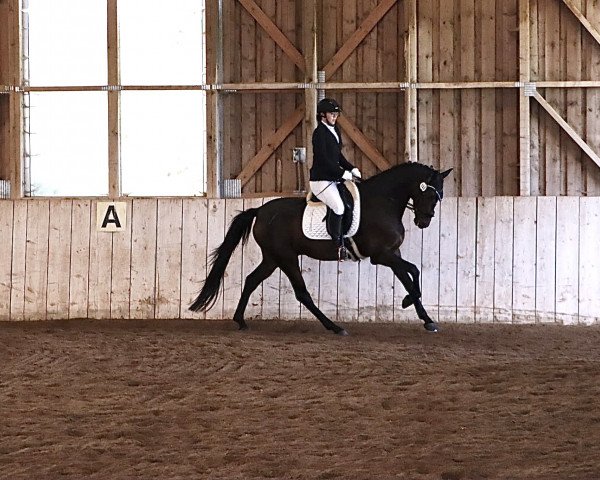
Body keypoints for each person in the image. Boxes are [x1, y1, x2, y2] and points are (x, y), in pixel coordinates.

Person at [309, 98, 361, 261]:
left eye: (336, 114)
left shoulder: (335, 130)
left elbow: (337, 156)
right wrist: (341, 173)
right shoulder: (319, 134)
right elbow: (324, 160)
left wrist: (351, 168)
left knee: (349, 202)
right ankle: (337, 246)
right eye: (332, 114)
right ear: (322, 115)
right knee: (338, 207)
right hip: (321, 180)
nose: (335, 117)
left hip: (333, 178)